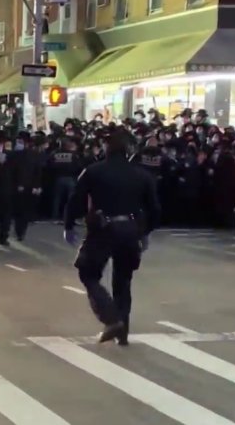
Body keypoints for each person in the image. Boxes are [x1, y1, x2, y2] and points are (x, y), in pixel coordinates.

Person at [64, 131, 160, 345]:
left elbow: (76, 200)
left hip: (103, 228)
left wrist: (69, 225)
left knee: (87, 273)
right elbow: (154, 208)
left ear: (106, 149)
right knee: (123, 281)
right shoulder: (141, 174)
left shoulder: (93, 171)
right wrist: (145, 232)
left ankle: (111, 318)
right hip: (131, 228)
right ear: (128, 150)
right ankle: (122, 331)